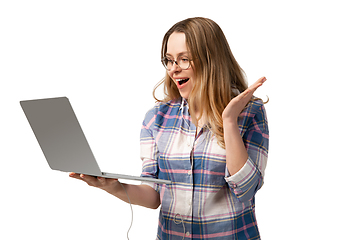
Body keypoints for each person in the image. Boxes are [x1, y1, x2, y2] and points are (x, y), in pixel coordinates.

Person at [70, 17, 269, 240]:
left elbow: (246, 190)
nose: (173, 69)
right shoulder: (156, 118)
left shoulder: (250, 112)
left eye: (184, 59)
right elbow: (154, 195)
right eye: (169, 60)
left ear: (211, 60)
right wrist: (112, 186)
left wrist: (229, 121)